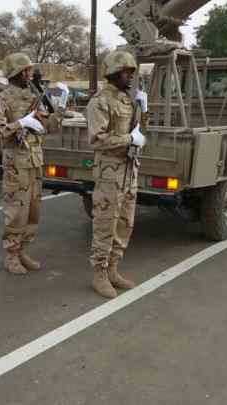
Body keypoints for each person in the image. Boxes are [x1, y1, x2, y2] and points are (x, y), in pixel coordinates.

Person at [0, 53, 63, 275]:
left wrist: (56, 110)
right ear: (18, 73)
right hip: (16, 164)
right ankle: (11, 255)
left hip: (34, 161)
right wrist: (20, 123)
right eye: (27, 70)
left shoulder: (34, 97)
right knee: (16, 211)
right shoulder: (2, 99)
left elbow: (52, 128)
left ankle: (23, 251)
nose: (30, 74)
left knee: (33, 211)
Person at [86, 51, 147, 299]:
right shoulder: (99, 102)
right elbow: (97, 140)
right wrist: (129, 139)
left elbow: (139, 133)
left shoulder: (126, 100)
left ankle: (112, 269)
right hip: (110, 175)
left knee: (124, 224)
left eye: (132, 72)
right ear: (113, 72)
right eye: (126, 72)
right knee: (105, 225)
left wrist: (144, 110)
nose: (130, 76)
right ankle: (99, 274)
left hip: (129, 172)